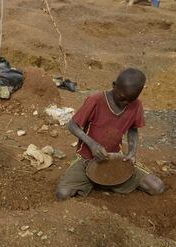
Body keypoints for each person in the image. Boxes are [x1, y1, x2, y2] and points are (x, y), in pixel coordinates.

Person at [56, 68, 164, 200]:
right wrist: (92, 145)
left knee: (157, 187)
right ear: (114, 85)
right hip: (86, 159)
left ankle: (103, 181)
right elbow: (72, 125)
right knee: (63, 193)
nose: (126, 103)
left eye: (131, 100)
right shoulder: (96, 100)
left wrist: (132, 153)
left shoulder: (136, 105)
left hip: (114, 160)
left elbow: (133, 129)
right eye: (123, 98)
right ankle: (98, 181)